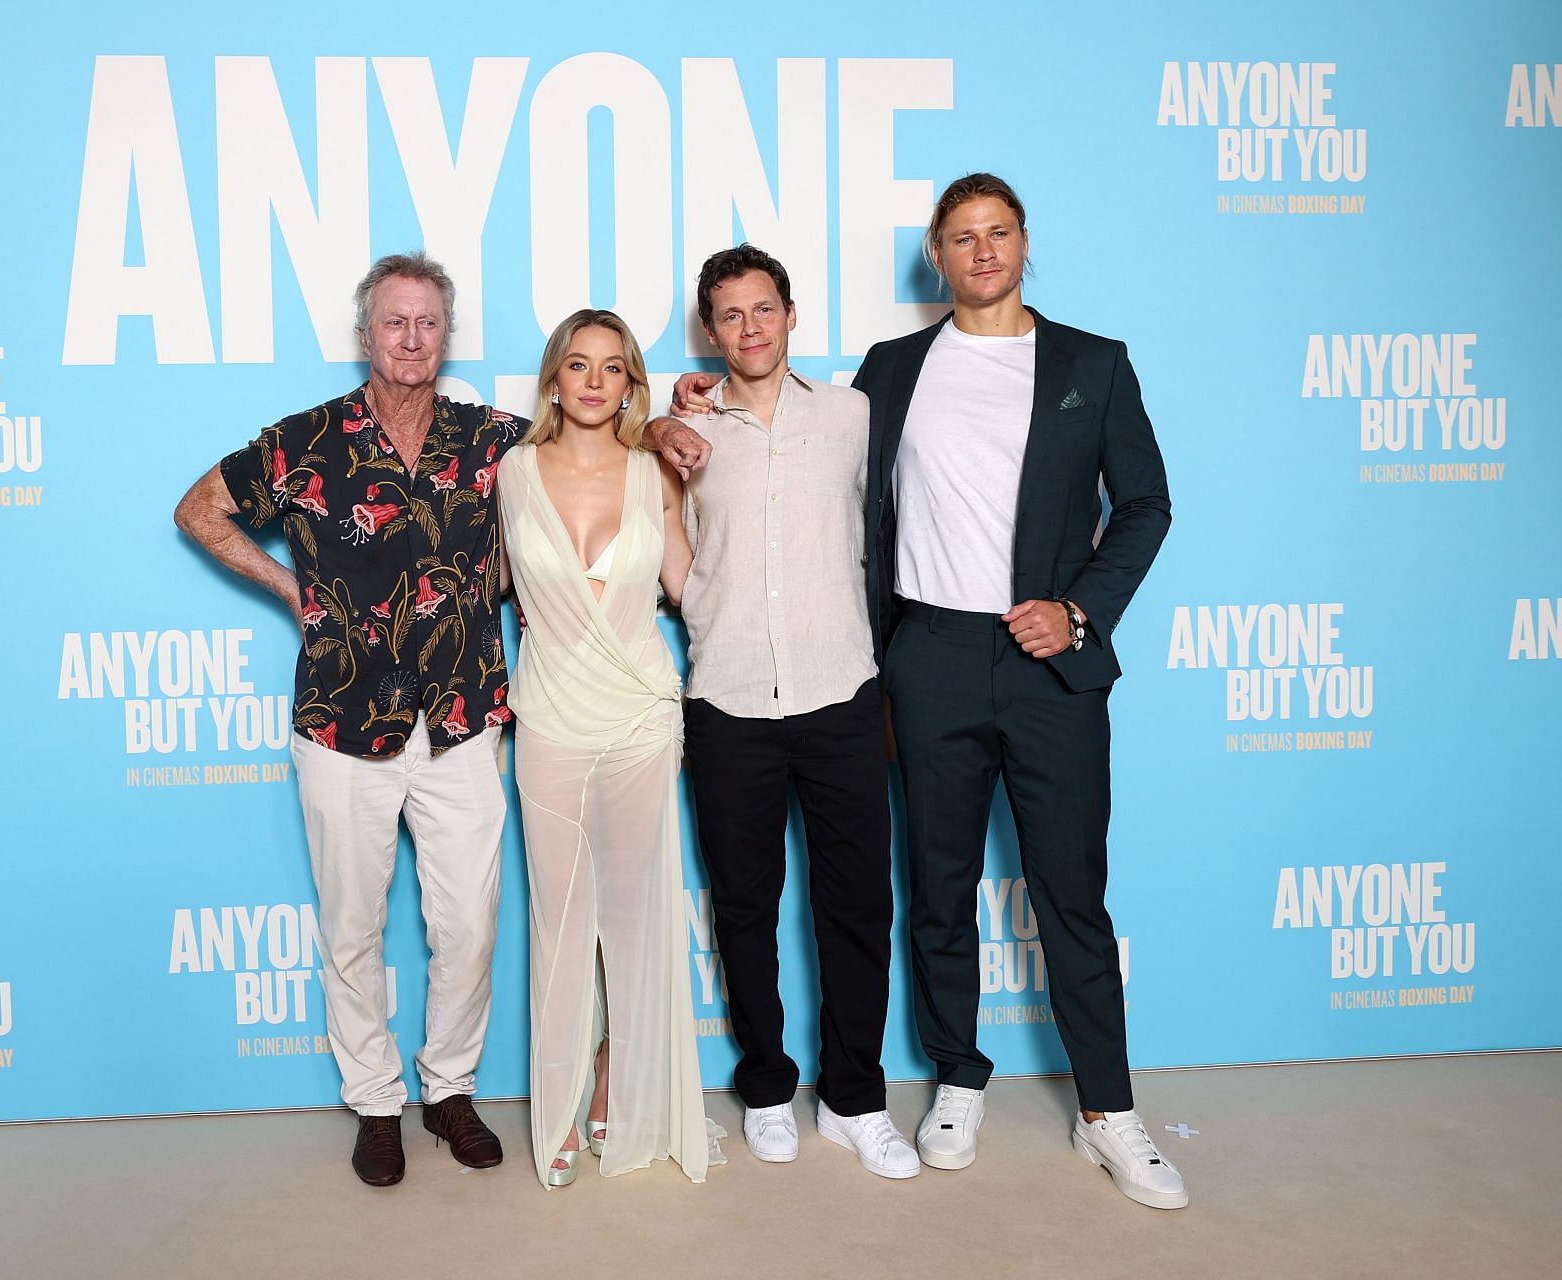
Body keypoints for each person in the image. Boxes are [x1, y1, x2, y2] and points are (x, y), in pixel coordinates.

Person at [174, 252, 711, 1189]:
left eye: (427, 323)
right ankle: (376, 1103)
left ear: (445, 334)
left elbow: (594, 438)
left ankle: (450, 1092)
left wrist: (666, 421)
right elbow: (200, 510)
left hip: (465, 718)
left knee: (467, 925)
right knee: (352, 926)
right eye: (394, 322)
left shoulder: (497, 443)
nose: (411, 338)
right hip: (340, 720)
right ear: (366, 335)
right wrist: (287, 588)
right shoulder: (306, 441)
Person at [857, 173, 1185, 1209]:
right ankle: (957, 1076)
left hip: (1050, 664)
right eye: (962, 237)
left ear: (1024, 243)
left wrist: (1080, 611)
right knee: (941, 887)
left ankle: (1108, 1111)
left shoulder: (1093, 361)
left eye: (998, 233)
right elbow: (829, 476)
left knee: (1070, 894)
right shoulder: (892, 368)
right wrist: (699, 408)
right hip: (931, 655)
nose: (982, 250)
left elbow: (1145, 503)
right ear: (937, 254)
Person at [665, 246, 920, 1180]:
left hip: (840, 691)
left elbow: (891, 530)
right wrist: (697, 606)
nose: (750, 328)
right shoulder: (684, 431)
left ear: (792, 314)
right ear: (710, 330)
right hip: (727, 696)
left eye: (763, 308)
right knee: (745, 906)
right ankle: (767, 1088)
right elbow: (659, 531)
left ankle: (854, 1100)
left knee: (856, 905)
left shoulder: (850, 416)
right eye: (730, 315)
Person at [497, 309, 719, 1188]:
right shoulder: (510, 473)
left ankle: (615, 1087)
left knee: (633, 916)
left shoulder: (650, 472)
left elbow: (692, 589)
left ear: (632, 383)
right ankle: (553, 1112)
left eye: (614, 368)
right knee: (560, 924)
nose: (595, 382)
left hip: (639, 717)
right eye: (579, 365)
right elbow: (479, 585)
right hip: (548, 715)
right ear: (554, 377)